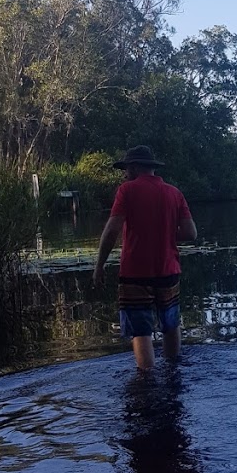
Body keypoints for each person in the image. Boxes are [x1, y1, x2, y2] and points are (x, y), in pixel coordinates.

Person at [93, 145, 198, 370]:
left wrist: (99, 265)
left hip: (135, 275)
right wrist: (165, 235)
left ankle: (146, 383)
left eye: (126, 168)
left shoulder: (127, 190)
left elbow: (112, 231)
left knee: (141, 331)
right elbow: (191, 233)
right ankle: (173, 372)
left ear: (134, 167)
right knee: (171, 325)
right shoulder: (174, 192)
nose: (124, 174)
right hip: (168, 272)